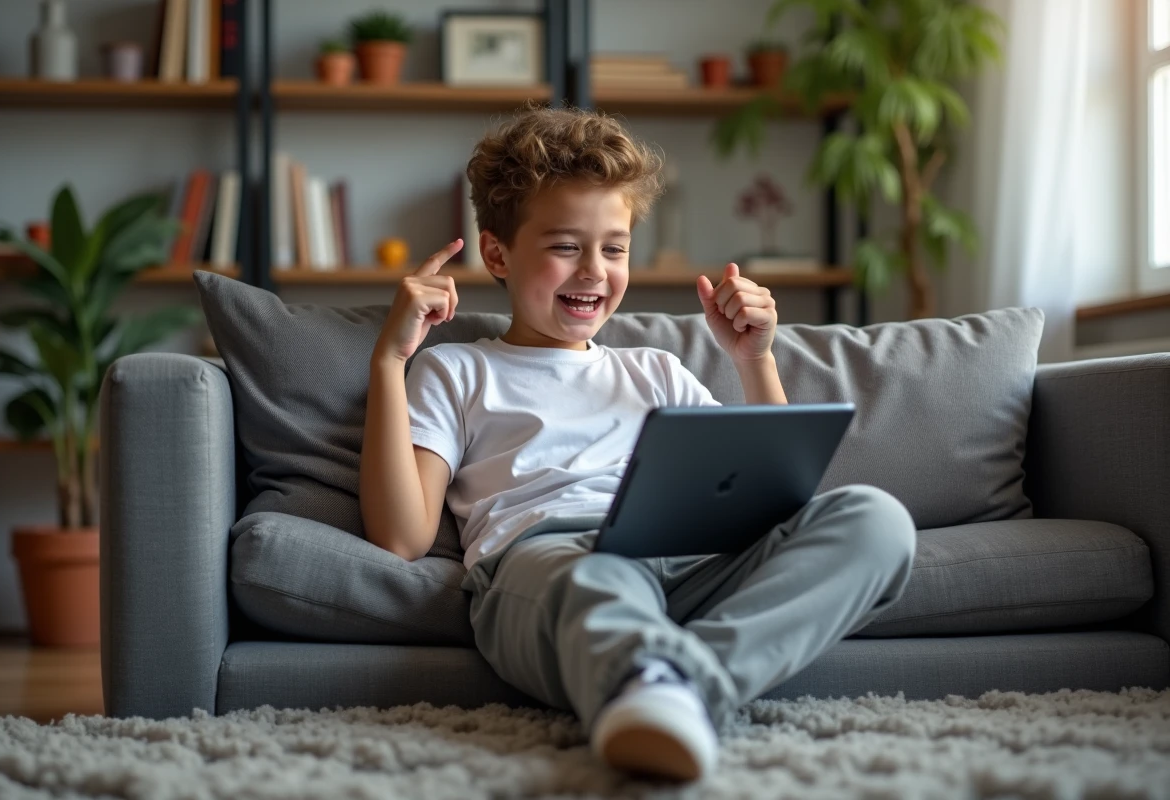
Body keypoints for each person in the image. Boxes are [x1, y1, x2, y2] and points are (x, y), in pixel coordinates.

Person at [360, 105, 917, 783]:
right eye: (566, 246)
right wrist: (389, 362)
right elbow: (402, 536)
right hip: (556, 566)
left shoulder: (655, 369)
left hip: (687, 565)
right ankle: (661, 679)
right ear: (498, 253)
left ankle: (669, 683)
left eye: (615, 248)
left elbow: (775, 496)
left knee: (875, 519)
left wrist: (753, 361)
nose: (594, 271)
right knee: (598, 575)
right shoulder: (458, 369)